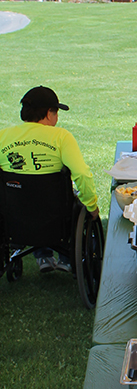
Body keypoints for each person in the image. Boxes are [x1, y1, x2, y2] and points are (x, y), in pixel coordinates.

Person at [0, 85, 99, 273]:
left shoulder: (3, 137)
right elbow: (82, 174)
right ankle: (65, 258)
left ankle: (43, 256)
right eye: (56, 113)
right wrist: (92, 206)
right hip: (56, 217)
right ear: (48, 113)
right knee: (75, 201)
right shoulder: (61, 137)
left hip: (14, 217)